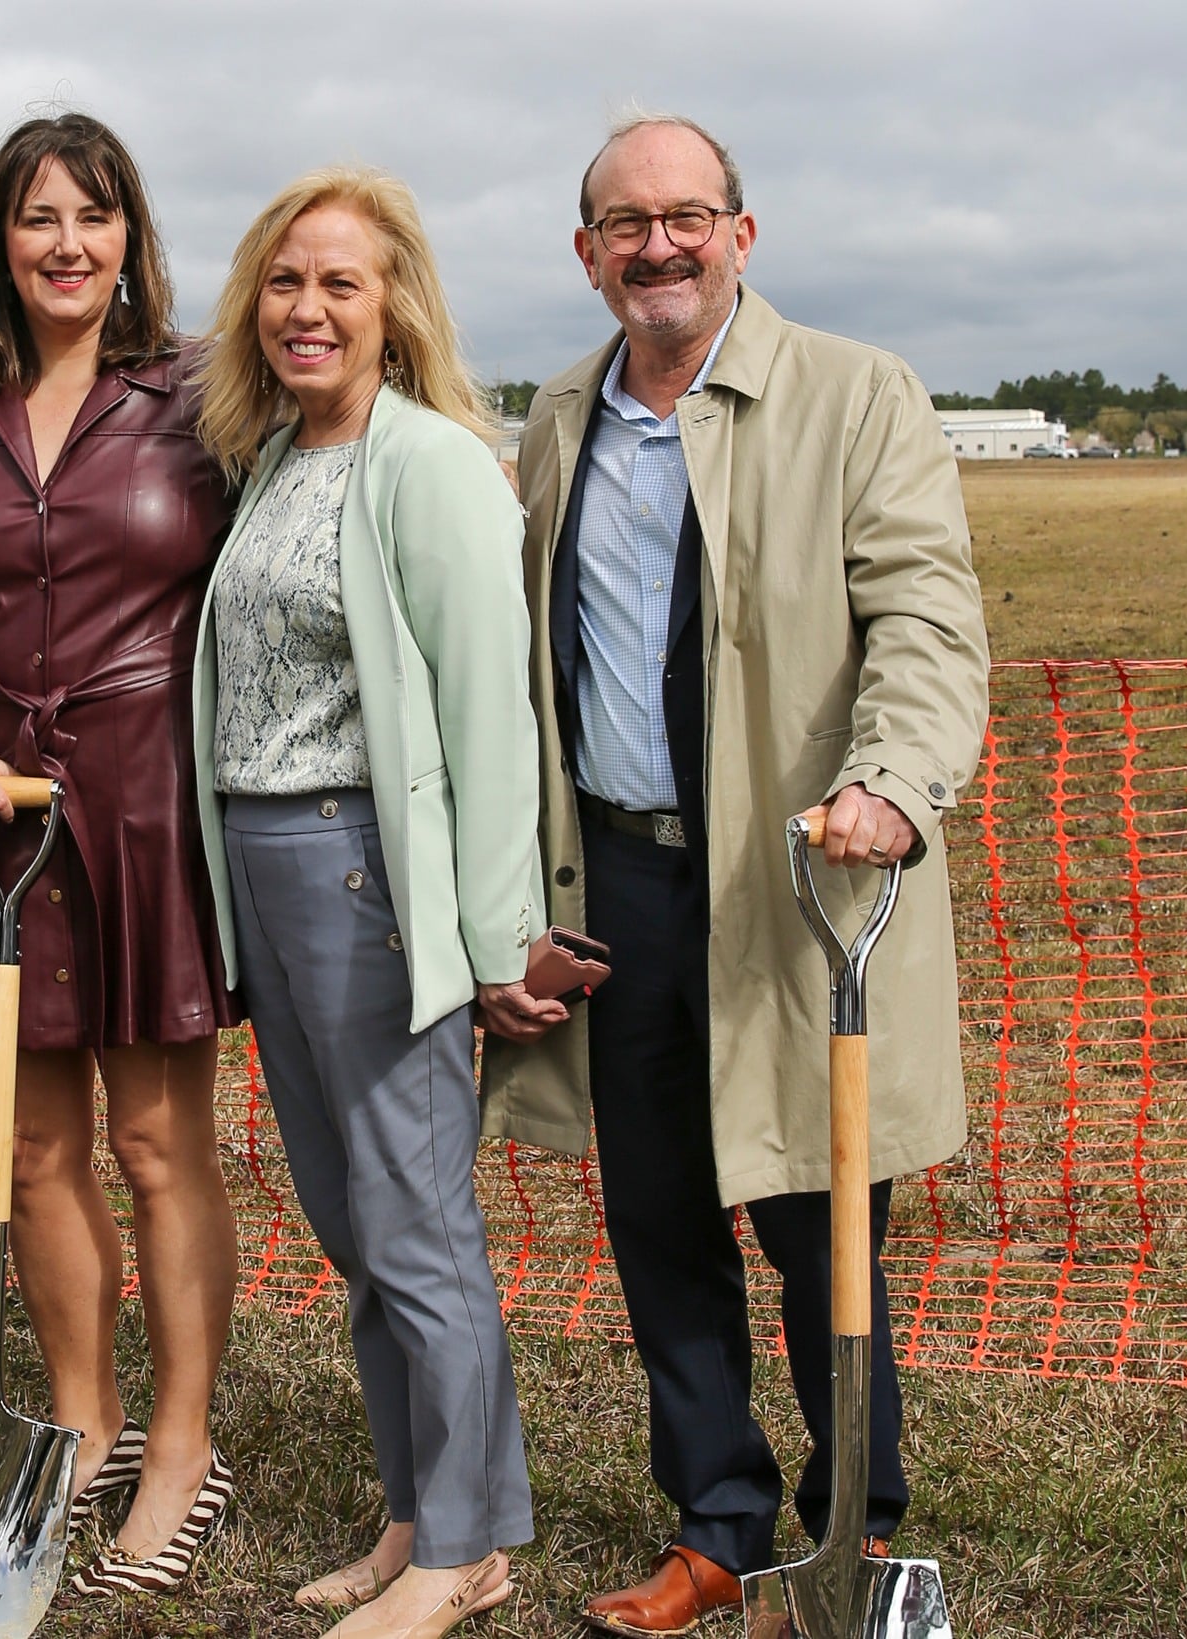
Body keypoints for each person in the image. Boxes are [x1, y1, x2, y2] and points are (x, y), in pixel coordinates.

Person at [478, 113, 990, 1635]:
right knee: (658, 1217)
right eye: (627, 224)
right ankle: (715, 1523)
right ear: (588, 254)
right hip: (620, 880)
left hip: (798, 882)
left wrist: (892, 779)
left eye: (688, 216)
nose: (661, 246)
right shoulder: (558, 419)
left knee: (819, 1216)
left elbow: (926, 617)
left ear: (741, 236)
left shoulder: (858, 394)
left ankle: (853, 1536)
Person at [190, 167, 560, 1639]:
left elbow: (488, 716)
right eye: (285, 282)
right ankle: (416, 1510)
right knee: (353, 1220)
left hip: (367, 879)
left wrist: (494, 938)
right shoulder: (275, 459)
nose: (309, 309)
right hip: (266, 873)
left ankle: (467, 1548)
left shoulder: (435, 463)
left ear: (395, 305)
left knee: (415, 1220)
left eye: (341, 282)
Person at [0, 113, 239, 1597]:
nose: (68, 244)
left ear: (131, 238)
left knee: (157, 1145)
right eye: (38, 218)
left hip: (148, 814)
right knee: (29, 1151)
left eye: (94, 216)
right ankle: (83, 1424)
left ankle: (183, 1440)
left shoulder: (204, 394)